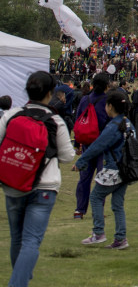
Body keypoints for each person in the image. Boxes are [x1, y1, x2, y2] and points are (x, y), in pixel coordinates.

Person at [0, 71, 75, 286]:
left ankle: (20, 278)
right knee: (31, 240)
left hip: (14, 183)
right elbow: (68, 155)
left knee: (17, 237)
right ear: (50, 93)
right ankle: (19, 281)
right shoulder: (55, 121)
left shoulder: (11, 115)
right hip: (45, 185)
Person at [73, 89, 131, 249]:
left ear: (110, 106)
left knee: (96, 197)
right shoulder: (127, 123)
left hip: (113, 168)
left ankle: (98, 232)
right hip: (126, 169)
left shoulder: (113, 126)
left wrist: (81, 162)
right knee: (118, 204)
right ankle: (120, 238)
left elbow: (97, 146)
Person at [73, 73, 110, 220]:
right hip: (102, 143)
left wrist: (77, 143)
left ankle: (79, 209)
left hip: (87, 143)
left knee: (84, 178)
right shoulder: (107, 100)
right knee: (101, 178)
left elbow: (78, 121)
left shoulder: (84, 99)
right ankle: (98, 208)